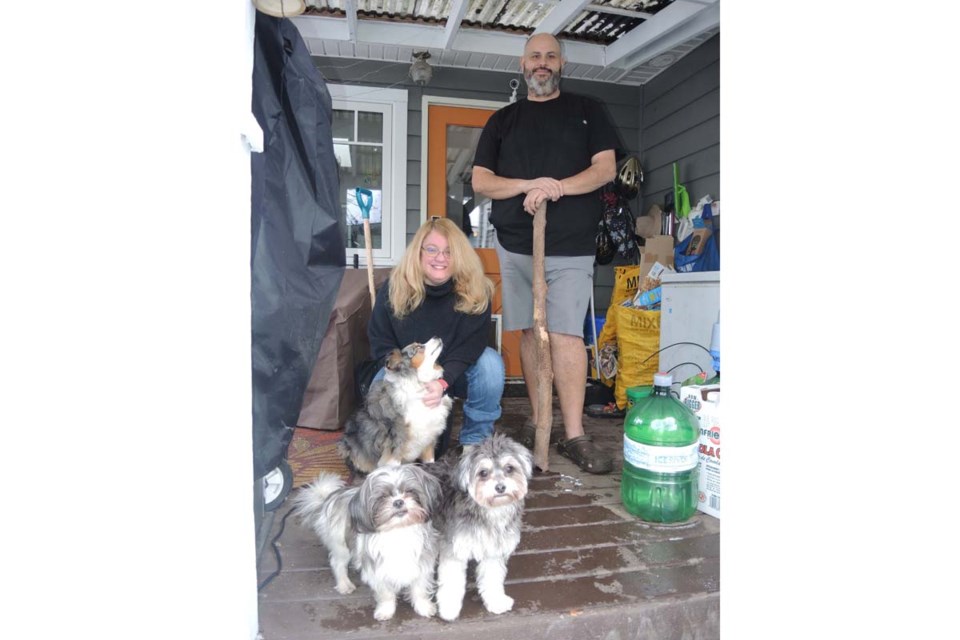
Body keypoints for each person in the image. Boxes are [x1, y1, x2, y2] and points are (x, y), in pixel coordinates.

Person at [471, 32, 619, 474]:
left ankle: (573, 433)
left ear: (562, 63)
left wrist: (557, 187)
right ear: (523, 64)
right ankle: (539, 420)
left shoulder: (588, 111)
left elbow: (605, 169)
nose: (542, 63)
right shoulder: (502, 121)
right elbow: (482, 181)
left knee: (567, 334)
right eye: (535, 56)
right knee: (530, 334)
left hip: (571, 246)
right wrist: (525, 186)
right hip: (516, 245)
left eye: (550, 56)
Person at [367, 217, 503, 455]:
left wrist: (442, 382)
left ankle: (475, 442)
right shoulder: (395, 287)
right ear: (418, 252)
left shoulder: (475, 289)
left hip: (454, 372)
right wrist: (408, 380)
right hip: (406, 372)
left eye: (449, 252)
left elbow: (470, 347)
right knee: (377, 386)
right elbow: (381, 341)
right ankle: (391, 448)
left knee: (491, 364)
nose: (440, 258)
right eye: (432, 249)